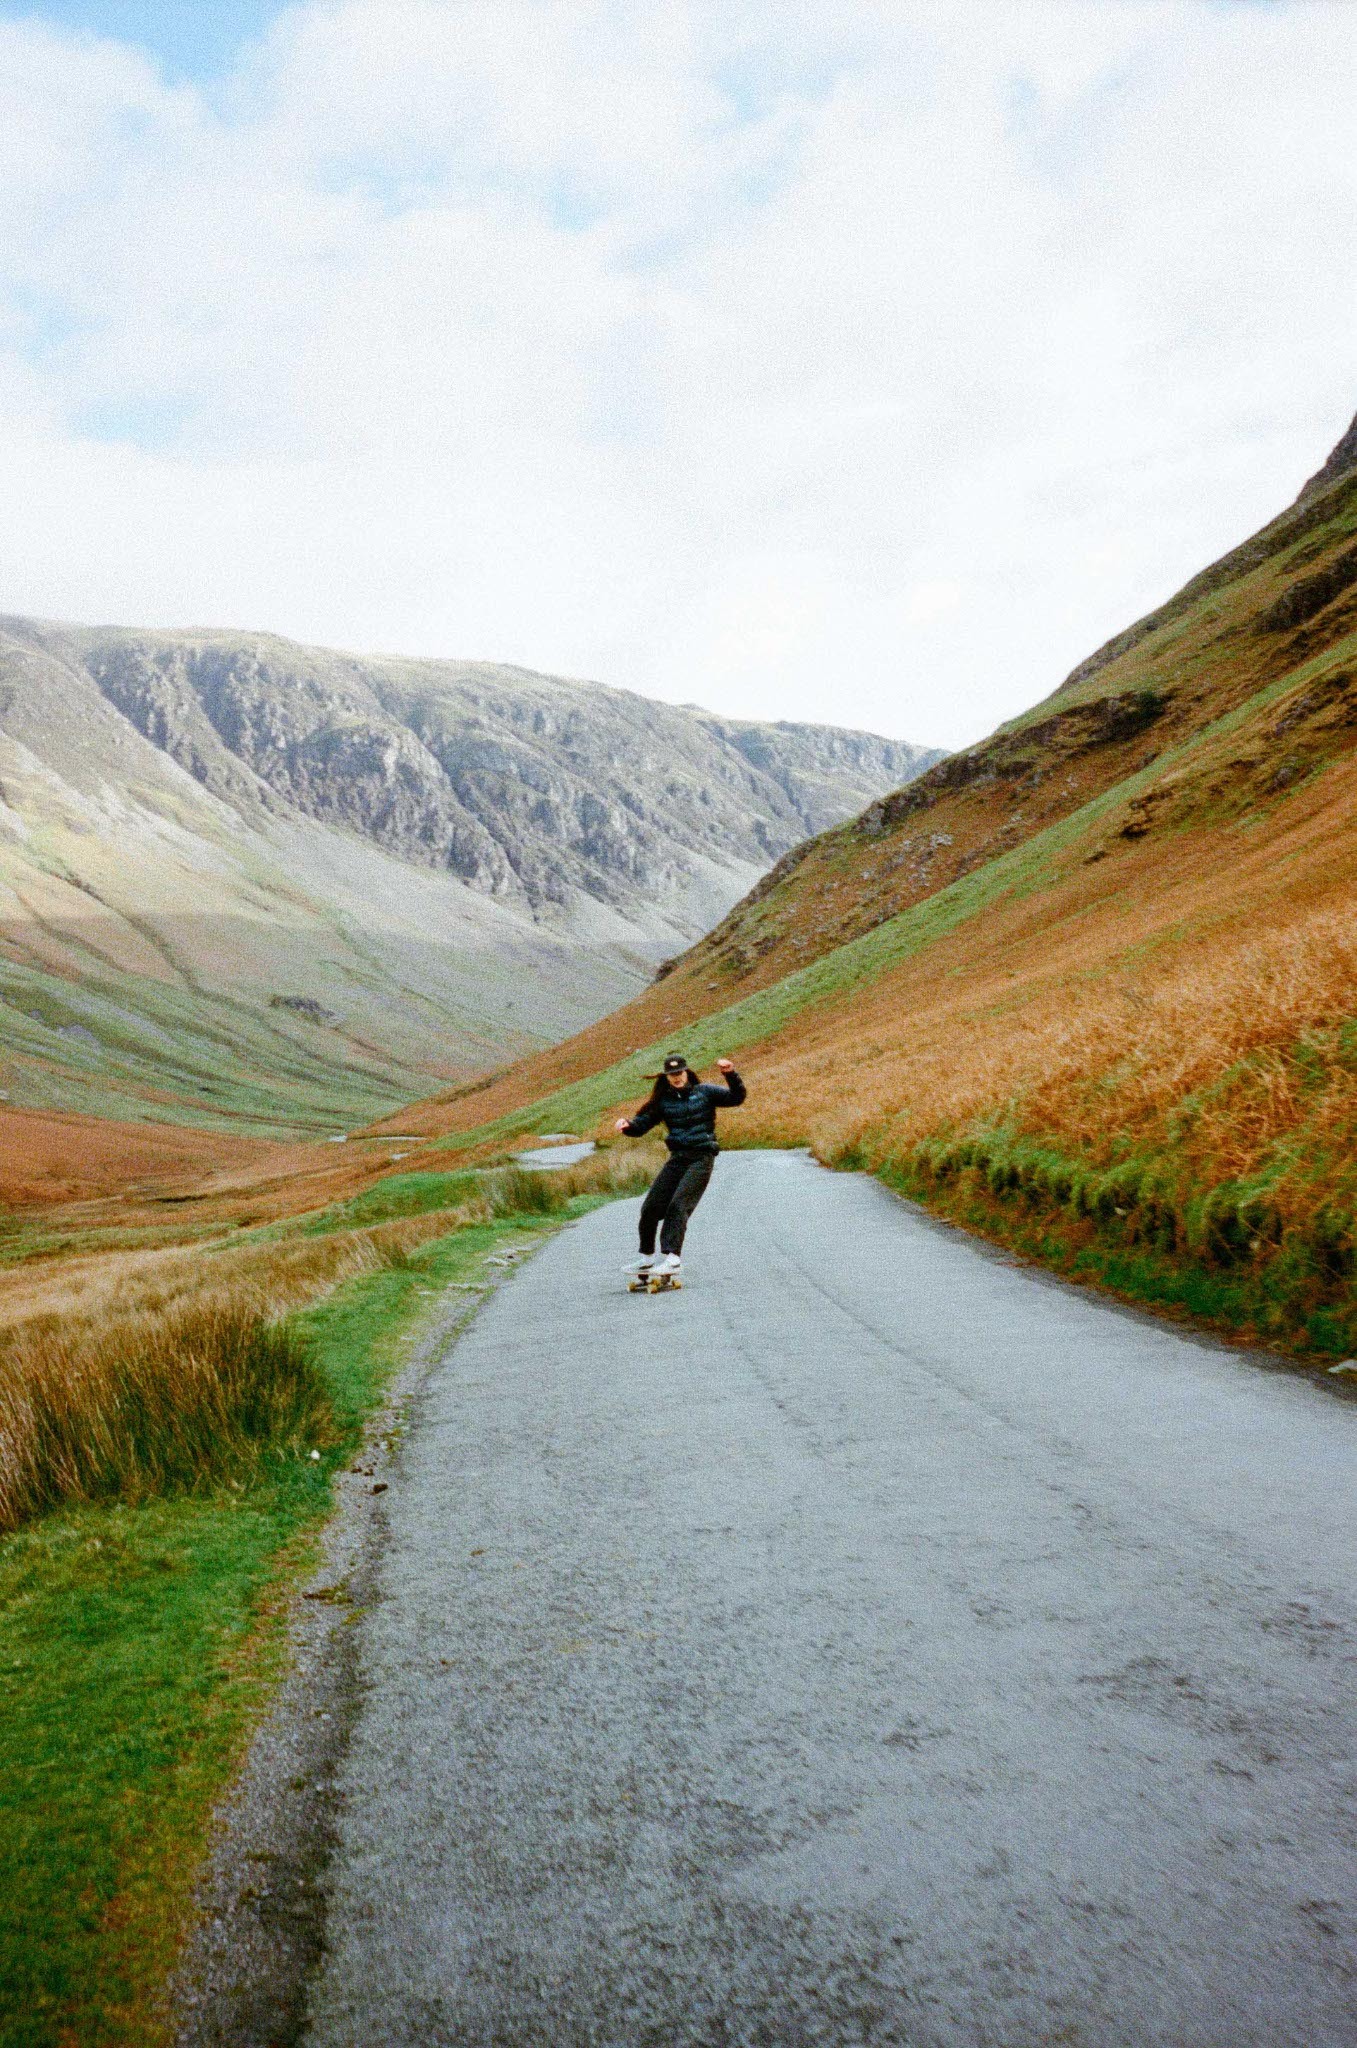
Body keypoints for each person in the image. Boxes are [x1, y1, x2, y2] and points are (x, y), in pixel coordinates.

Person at [614, 1052, 746, 1284]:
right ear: (666, 1077)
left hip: (701, 1157)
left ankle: (672, 1257)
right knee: (651, 1207)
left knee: (678, 1205)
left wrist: (730, 1074)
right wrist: (627, 1125)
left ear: (686, 1072)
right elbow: (641, 1125)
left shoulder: (705, 1092)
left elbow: (736, 1097)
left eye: (679, 1073)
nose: (676, 1077)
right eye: (671, 1075)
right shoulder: (663, 1101)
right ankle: (646, 1258)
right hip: (678, 1158)